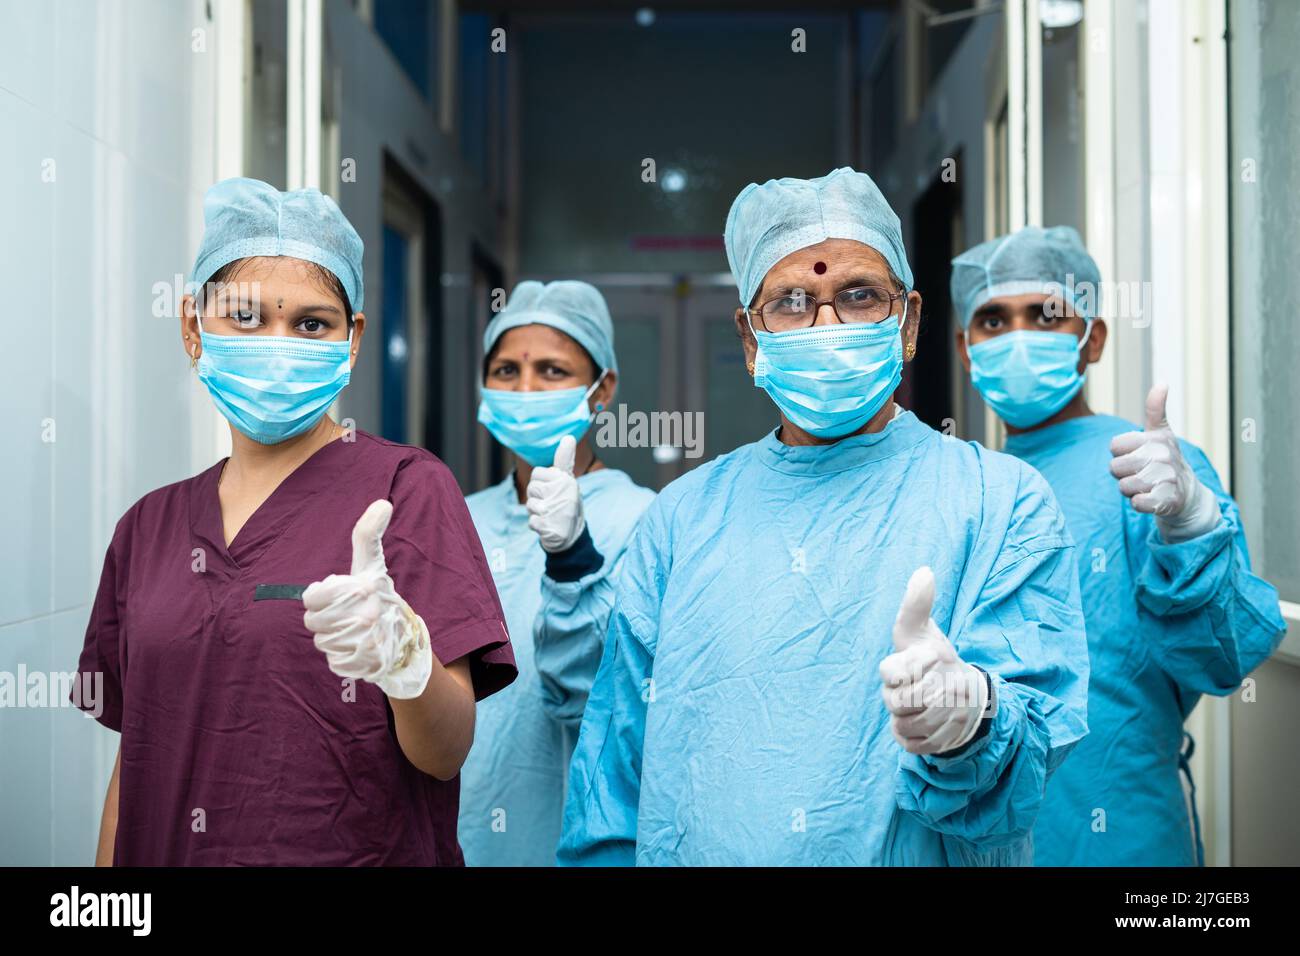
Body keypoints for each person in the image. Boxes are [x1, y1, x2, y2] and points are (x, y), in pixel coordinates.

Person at [557, 168, 1090, 866]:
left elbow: (1022, 781)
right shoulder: (682, 519)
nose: (826, 323)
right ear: (752, 342)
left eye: (860, 296)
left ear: (910, 323)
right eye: (792, 302)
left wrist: (972, 720)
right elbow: (613, 777)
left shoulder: (1001, 502)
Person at [71, 177, 515, 866]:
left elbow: (446, 750)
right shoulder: (147, 528)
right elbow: (138, 758)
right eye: (245, 317)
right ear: (193, 326)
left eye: (311, 323)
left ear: (353, 339)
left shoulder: (406, 490)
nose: (277, 342)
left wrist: (405, 658)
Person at [951, 224, 1286, 865]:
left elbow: (1224, 660)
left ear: (1092, 339)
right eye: (993, 321)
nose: (1017, 335)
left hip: (1124, 836)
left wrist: (1191, 524)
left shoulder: (1147, 470)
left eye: (1045, 314)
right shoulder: (969, 484)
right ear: (967, 349)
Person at [458, 281, 656, 866]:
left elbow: (598, 698)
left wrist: (572, 555)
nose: (525, 389)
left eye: (551, 371)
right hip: (462, 832)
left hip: (574, 837)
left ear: (603, 391)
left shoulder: (641, 519)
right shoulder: (459, 517)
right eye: (506, 370)